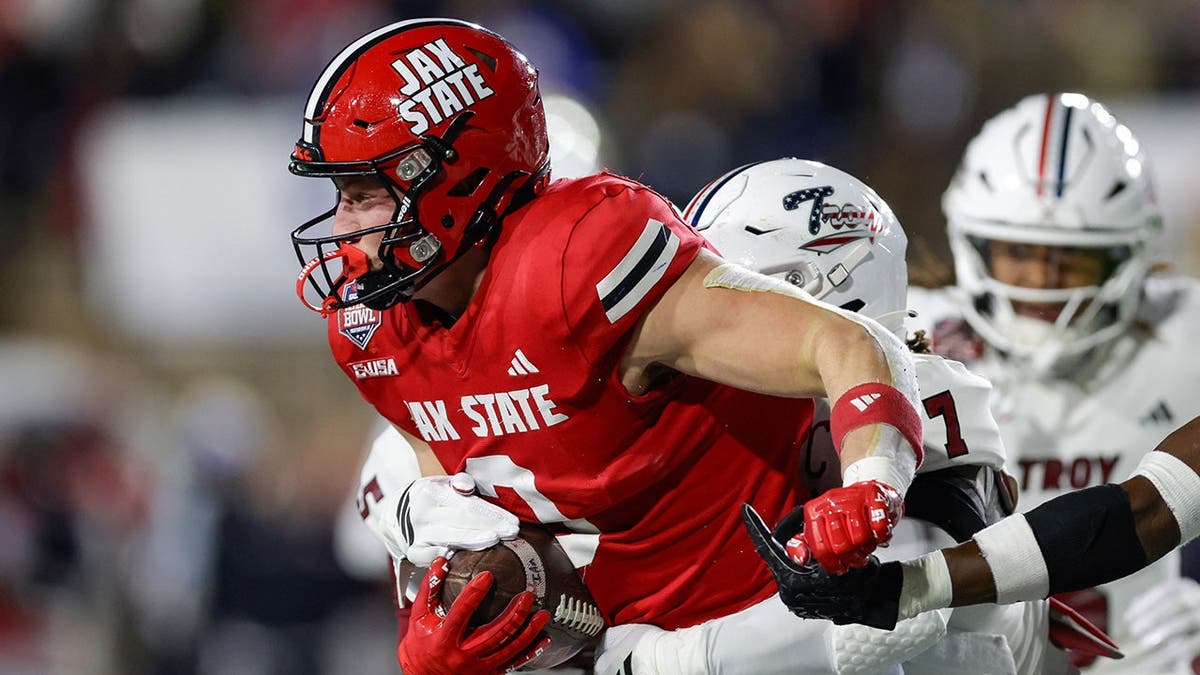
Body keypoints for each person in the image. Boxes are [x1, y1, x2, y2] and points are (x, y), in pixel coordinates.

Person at [288, 19, 923, 674]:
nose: (341, 227)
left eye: (364, 194)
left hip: (766, 636)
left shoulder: (576, 262)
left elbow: (846, 342)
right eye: (341, 195)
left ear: (449, 177)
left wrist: (873, 483)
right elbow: (479, 542)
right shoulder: (374, 334)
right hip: (612, 655)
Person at [748, 93, 1200, 673]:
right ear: (972, 241)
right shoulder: (906, 334)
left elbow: (1151, 511)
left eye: (1073, 262)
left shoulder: (1183, 334)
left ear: (1127, 257)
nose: (1043, 283)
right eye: (1019, 253)